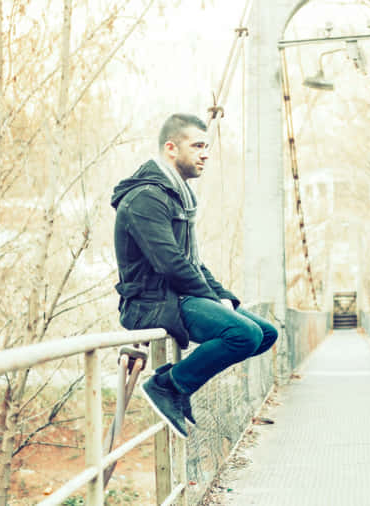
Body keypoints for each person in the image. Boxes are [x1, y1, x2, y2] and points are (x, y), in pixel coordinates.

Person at [111, 113, 278, 438]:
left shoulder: (177, 195)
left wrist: (224, 297)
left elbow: (192, 262)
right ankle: (166, 386)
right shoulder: (146, 198)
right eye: (198, 146)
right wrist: (211, 298)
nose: (205, 153)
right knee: (244, 335)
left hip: (177, 296)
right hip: (150, 303)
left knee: (266, 334)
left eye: (207, 146)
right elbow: (170, 263)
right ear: (171, 148)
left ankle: (179, 386)